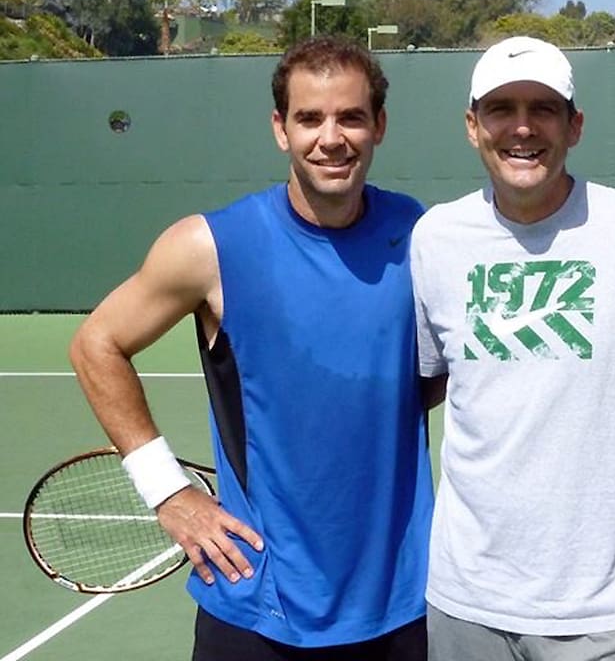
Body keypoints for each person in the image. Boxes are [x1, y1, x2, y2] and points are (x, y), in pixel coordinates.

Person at [69, 36, 433, 661]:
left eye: (350, 117)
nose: (331, 137)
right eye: (309, 118)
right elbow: (96, 343)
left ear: (379, 126)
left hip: (403, 607)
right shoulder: (209, 246)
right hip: (254, 604)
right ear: (279, 128)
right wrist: (169, 492)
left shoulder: (421, 236)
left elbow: (432, 377)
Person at [409, 36, 615, 661]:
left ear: (574, 125)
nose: (522, 127)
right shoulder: (435, 239)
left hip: (609, 611)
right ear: (472, 126)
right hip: (468, 604)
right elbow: (433, 384)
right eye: (501, 109)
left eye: (543, 108)